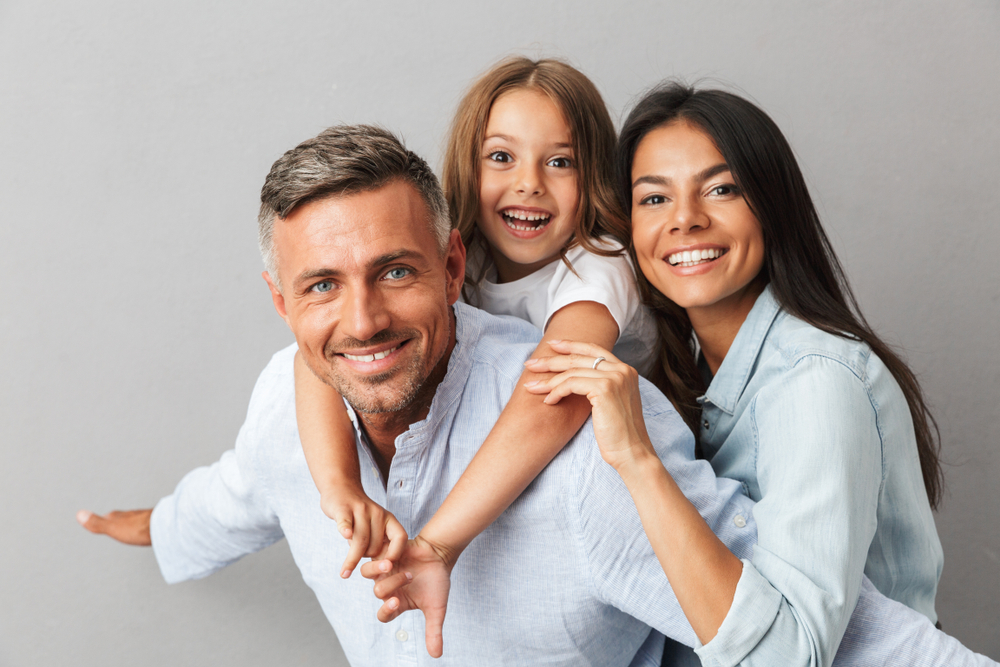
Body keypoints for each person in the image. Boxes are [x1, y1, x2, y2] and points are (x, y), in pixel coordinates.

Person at [76, 123, 990, 666]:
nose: (362, 319)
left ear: (453, 264)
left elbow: (829, 635)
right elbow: (233, 492)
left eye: (395, 271)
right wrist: (155, 525)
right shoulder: (290, 401)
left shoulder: (590, 441)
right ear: (281, 302)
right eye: (321, 286)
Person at [524, 82, 949, 666]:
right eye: (654, 199)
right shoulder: (691, 371)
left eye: (721, 189)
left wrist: (638, 458)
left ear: (772, 205)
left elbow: (786, 657)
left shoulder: (816, 382)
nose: (685, 221)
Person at [293, 57, 656, 582]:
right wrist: (341, 488)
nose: (529, 184)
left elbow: (555, 392)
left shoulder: (599, 263)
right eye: (502, 157)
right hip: (495, 446)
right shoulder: (461, 254)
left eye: (560, 162)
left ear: (593, 175)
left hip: (599, 466)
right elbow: (316, 361)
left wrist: (440, 545)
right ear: (469, 165)